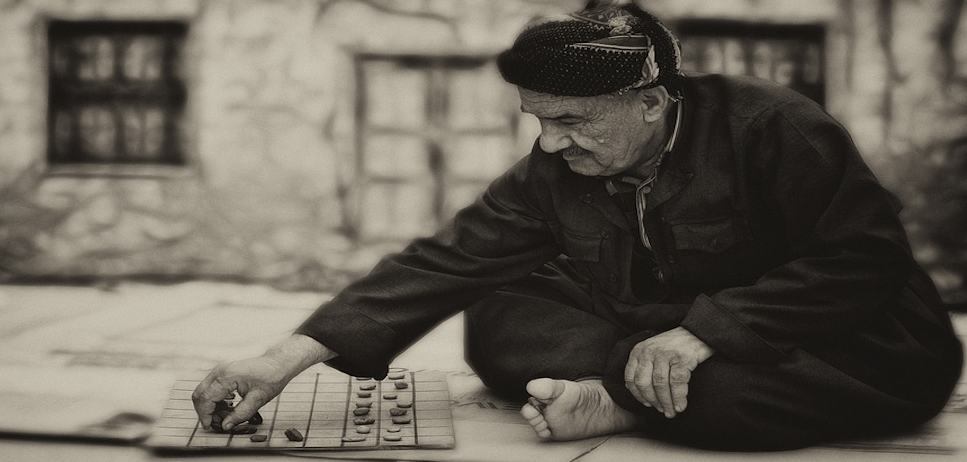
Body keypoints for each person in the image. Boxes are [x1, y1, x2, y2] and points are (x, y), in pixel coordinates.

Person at [193, 1, 963, 451]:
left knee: (733, 392)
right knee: (496, 315)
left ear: (651, 101)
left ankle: (624, 396)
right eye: (538, 120)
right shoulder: (555, 167)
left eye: (572, 122)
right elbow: (447, 260)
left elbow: (864, 262)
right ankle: (641, 380)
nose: (551, 144)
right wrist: (280, 359)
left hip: (834, 334)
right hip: (653, 321)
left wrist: (708, 332)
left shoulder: (775, 127)